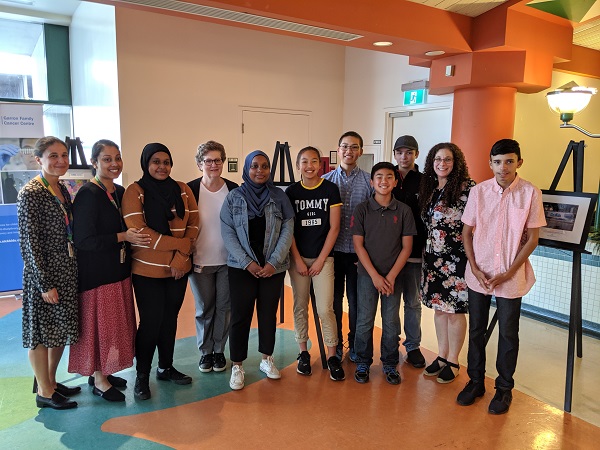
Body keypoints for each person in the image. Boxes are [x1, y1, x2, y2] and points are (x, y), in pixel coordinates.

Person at [457, 139, 546, 415]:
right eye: (497, 162)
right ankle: (475, 381)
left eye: (509, 161)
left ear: (519, 162)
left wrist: (509, 271)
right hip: (479, 273)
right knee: (476, 330)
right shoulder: (479, 192)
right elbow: (466, 233)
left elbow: (532, 238)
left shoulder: (530, 192)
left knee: (508, 333)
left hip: (511, 274)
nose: (503, 167)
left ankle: (504, 389)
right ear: (490, 163)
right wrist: (474, 266)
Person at [68, 140, 150, 402]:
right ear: (94, 163)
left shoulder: (119, 191)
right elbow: (84, 240)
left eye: (117, 158)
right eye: (106, 159)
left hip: (118, 271)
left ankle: (102, 371)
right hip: (98, 275)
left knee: (114, 327)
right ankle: (99, 379)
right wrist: (123, 236)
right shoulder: (88, 194)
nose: (114, 164)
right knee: (100, 328)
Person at [122, 143, 199, 400]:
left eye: (166, 162)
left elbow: (194, 224)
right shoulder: (136, 191)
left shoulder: (183, 190)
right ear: (146, 163)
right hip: (147, 272)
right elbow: (141, 234)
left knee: (170, 321)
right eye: (156, 161)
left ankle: (166, 367)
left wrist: (182, 257)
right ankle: (142, 375)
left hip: (178, 270)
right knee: (151, 323)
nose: (162, 167)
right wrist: (182, 246)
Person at [220, 150, 294, 391]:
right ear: (246, 169)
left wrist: (272, 263)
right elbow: (228, 233)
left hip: (273, 268)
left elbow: (287, 230)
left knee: (267, 314)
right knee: (240, 316)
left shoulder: (279, 197)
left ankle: (266, 359)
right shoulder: (234, 197)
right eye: (254, 166)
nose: (259, 170)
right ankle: (237, 365)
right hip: (241, 268)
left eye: (264, 166)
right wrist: (247, 263)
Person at [17, 136, 80, 410]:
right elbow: (30, 243)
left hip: (66, 269)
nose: (60, 161)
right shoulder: (31, 193)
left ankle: (52, 382)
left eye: (64, 155)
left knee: (60, 329)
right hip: (43, 274)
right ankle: (44, 391)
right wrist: (44, 283)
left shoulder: (63, 188)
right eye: (53, 156)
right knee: (41, 333)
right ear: (38, 159)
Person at [352, 162, 416, 385]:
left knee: (390, 322)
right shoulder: (362, 209)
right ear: (371, 182)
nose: (384, 181)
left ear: (395, 182)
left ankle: (389, 363)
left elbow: (407, 247)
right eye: (378, 177)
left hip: (393, 277)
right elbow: (358, 246)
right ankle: (362, 361)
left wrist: (389, 277)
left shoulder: (404, 211)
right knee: (364, 320)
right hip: (367, 276)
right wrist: (375, 276)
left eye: (389, 177)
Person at [286, 146, 345, 381]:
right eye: (304, 162)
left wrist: (321, 259)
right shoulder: (291, 192)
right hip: (298, 259)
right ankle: (303, 352)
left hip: (324, 258)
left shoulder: (331, 189)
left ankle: (332, 355)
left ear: (319, 165)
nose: (309, 166)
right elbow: (288, 230)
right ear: (298, 165)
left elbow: (335, 227)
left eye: (313, 161)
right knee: (300, 306)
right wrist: (298, 259)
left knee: (324, 308)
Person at [419, 143, 475, 384]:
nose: (442, 163)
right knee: (439, 309)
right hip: (432, 260)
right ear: (432, 161)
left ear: (456, 162)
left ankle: (453, 359)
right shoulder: (431, 188)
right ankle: (441, 355)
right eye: (438, 159)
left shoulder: (467, 189)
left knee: (455, 311)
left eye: (448, 159)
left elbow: (475, 226)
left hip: (457, 261)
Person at [187, 141, 238, 374]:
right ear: (200, 164)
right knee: (204, 308)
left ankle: (219, 350)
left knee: (224, 308)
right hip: (199, 260)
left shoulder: (234, 189)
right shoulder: (189, 190)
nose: (214, 165)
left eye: (218, 160)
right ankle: (205, 352)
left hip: (228, 261)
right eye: (208, 161)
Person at [322, 131, 372, 361]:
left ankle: (354, 344)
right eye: (345, 146)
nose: (349, 151)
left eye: (354, 147)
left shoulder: (369, 181)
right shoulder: (326, 181)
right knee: (333, 302)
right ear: (338, 149)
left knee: (356, 302)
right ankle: (336, 344)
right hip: (332, 253)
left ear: (360, 151)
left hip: (356, 254)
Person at [391, 135, 426, 369]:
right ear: (394, 154)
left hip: (415, 253)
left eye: (409, 152)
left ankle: (413, 345)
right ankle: (390, 343)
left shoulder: (425, 181)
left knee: (412, 303)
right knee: (391, 303)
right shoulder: (387, 176)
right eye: (400, 152)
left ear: (416, 154)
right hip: (389, 254)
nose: (404, 157)